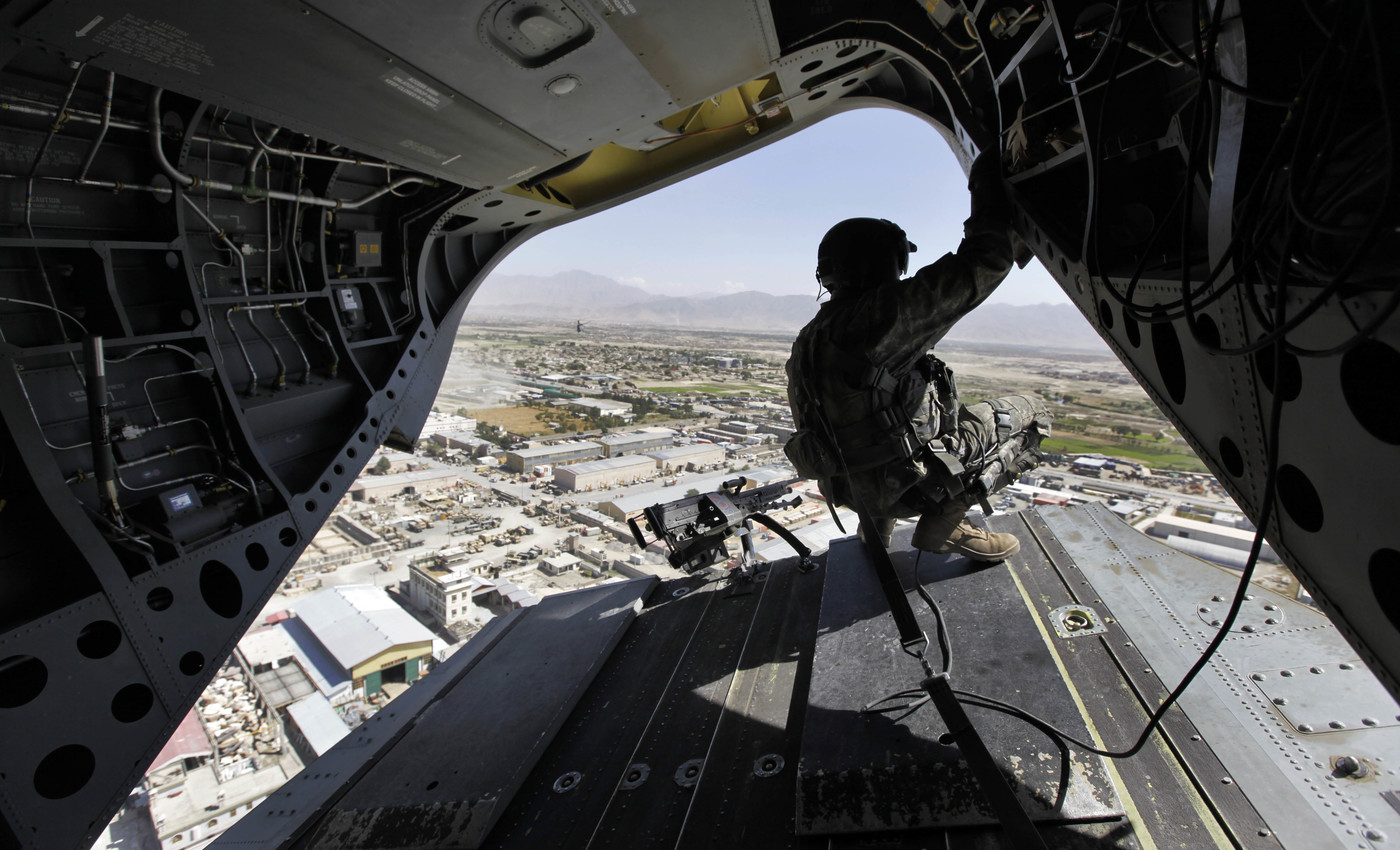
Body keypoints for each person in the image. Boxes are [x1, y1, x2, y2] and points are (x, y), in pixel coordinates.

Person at [784, 151, 1051, 561]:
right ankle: (947, 519)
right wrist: (987, 187)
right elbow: (981, 266)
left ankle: (876, 527)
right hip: (911, 486)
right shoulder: (883, 316)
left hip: (849, 490)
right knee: (1033, 412)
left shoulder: (810, 338)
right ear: (888, 263)